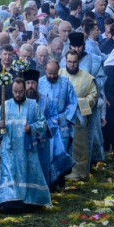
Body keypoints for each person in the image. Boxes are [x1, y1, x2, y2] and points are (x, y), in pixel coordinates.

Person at [0, 79, 51, 212]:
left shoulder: (33, 105)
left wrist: (31, 127)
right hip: (10, 150)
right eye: (15, 91)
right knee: (9, 174)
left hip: (27, 150)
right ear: (11, 90)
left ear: (24, 90)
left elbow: (43, 124)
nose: (18, 94)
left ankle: (30, 202)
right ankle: (9, 202)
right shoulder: (5, 105)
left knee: (29, 174)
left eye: (20, 92)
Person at [38, 59, 78, 189]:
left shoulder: (66, 83)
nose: (52, 76)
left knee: (61, 151)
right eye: (50, 73)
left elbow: (73, 102)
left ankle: (60, 180)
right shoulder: (40, 83)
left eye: (55, 73)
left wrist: (65, 117)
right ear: (45, 71)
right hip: (45, 123)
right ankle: (48, 182)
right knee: (46, 151)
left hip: (61, 123)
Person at [63, 51, 98, 179]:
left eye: (74, 62)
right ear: (65, 61)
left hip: (79, 117)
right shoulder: (60, 74)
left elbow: (93, 96)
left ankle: (79, 173)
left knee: (79, 145)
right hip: (62, 119)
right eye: (69, 62)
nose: (72, 65)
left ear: (78, 62)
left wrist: (78, 102)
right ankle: (62, 173)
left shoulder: (87, 78)